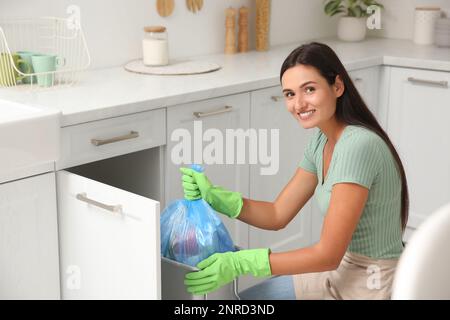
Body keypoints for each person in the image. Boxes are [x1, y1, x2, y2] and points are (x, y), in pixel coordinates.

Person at [181, 42, 409, 300]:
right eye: (289, 94)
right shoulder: (321, 140)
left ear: (337, 86)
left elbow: (327, 254)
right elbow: (278, 214)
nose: (298, 104)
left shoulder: (358, 145)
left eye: (309, 89)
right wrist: (217, 197)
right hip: (339, 270)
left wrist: (242, 262)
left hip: (372, 282)